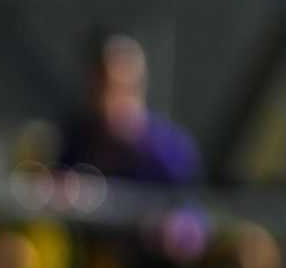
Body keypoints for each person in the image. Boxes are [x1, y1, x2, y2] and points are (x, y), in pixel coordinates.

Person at [56, 30, 200, 188]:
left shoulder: (169, 150)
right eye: (108, 87)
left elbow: (184, 203)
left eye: (126, 87)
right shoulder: (77, 139)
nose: (118, 99)